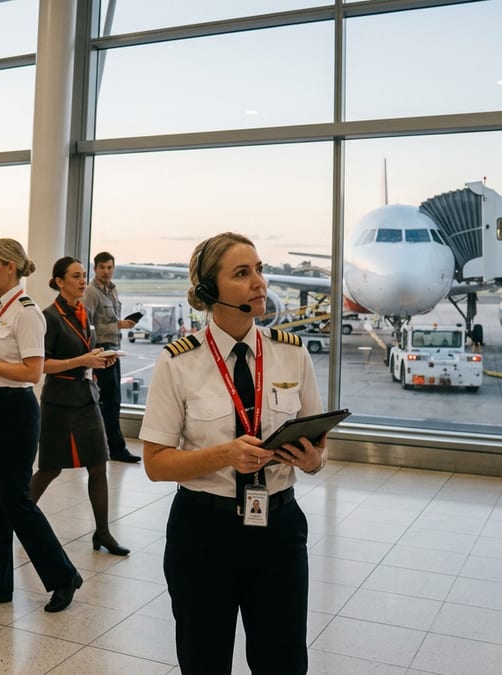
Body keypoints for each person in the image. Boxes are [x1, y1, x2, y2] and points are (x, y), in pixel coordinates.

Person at [140, 232, 327, 674]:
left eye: (259, 269)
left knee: (282, 661)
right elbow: (155, 463)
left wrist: (312, 460)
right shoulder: (178, 361)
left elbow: (319, 446)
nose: (259, 282)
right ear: (209, 292)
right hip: (203, 534)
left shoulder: (291, 353)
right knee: (204, 659)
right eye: (242, 274)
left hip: (278, 531)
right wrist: (225, 455)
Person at [0, 238, 83, 613]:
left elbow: (33, 371)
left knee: (16, 500)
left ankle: (63, 575)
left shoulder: (26, 312)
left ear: (10, 266)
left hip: (16, 409)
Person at [29, 256, 128, 556]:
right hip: (59, 402)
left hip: (86, 397)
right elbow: (42, 365)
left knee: (99, 465)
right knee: (49, 468)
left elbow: (83, 353)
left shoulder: (83, 313)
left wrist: (98, 357)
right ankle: (18, 517)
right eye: (75, 276)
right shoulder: (50, 317)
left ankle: (103, 532)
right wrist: (81, 361)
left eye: (84, 275)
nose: (82, 280)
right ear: (59, 281)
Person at [83, 252, 141, 463]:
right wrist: (117, 325)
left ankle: (108, 445)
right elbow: (86, 324)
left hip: (113, 349)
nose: (106, 271)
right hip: (101, 350)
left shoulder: (112, 290)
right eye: (102, 268)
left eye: (109, 267)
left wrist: (120, 324)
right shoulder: (91, 292)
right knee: (110, 400)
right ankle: (114, 447)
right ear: (95, 269)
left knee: (112, 400)